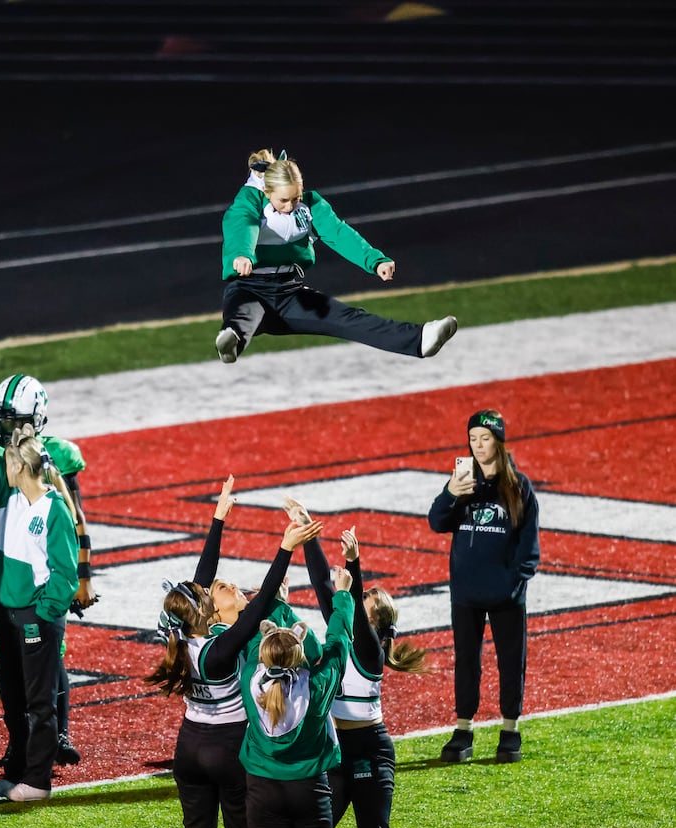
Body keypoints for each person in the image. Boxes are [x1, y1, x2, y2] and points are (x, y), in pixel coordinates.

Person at [147, 482, 321, 828]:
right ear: (204, 612)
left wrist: (218, 519)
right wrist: (284, 550)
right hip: (227, 747)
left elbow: (198, 586)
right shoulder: (222, 647)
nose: (214, 591)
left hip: (189, 745)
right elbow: (262, 603)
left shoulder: (180, 642)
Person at [304, 525, 431, 828]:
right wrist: (307, 538)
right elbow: (328, 591)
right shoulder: (345, 625)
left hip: (371, 752)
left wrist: (355, 565)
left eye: (364, 603)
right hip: (337, 753)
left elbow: (349, 606)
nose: (356, 603)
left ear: (374, 620)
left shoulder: (371, 650)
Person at [215, 150, 458, 365]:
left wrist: (375, 260)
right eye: (283, 200)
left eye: (295, 198)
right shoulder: (251, 200)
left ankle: (420, 339)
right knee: (243, 315)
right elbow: (241, 225)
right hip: (250, 288)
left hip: (289, 292)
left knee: (349, 317)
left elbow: (339, 233)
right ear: (267, 191)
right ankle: (232, 341)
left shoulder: (310, 205)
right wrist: (241, 254)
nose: (290, 206)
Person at [239, 563, 356, 828]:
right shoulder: (320, 682)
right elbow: (339, 644)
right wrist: (342, 596)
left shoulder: (248, 673)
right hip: (311, 790)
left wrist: (279, 602)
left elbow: (256, 636)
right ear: (301, 653)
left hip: (264, 790)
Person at [0, 422, 78, 803]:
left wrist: (43, 613)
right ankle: (17, 773)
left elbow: (66, 574)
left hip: (35, 618)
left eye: (8, 464)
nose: (3, 469)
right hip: (6, 613)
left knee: (39, 702)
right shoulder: (8, 498)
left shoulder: (55, 511)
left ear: (20, 467)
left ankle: (39, 781)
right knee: (14, 697)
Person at [428, 409, 539, 764]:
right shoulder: (463, 482)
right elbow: (436, 523)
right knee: (466, 663)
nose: (478, 446)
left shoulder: (519, 486)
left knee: (510, 661)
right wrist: (450, 493)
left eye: (485, 438)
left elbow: (529, 546)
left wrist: (514, 582)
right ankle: (464, 731)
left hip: (506, 595)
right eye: (473, 438)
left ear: (499, 441)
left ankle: (510, 731)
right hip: (466, 593)